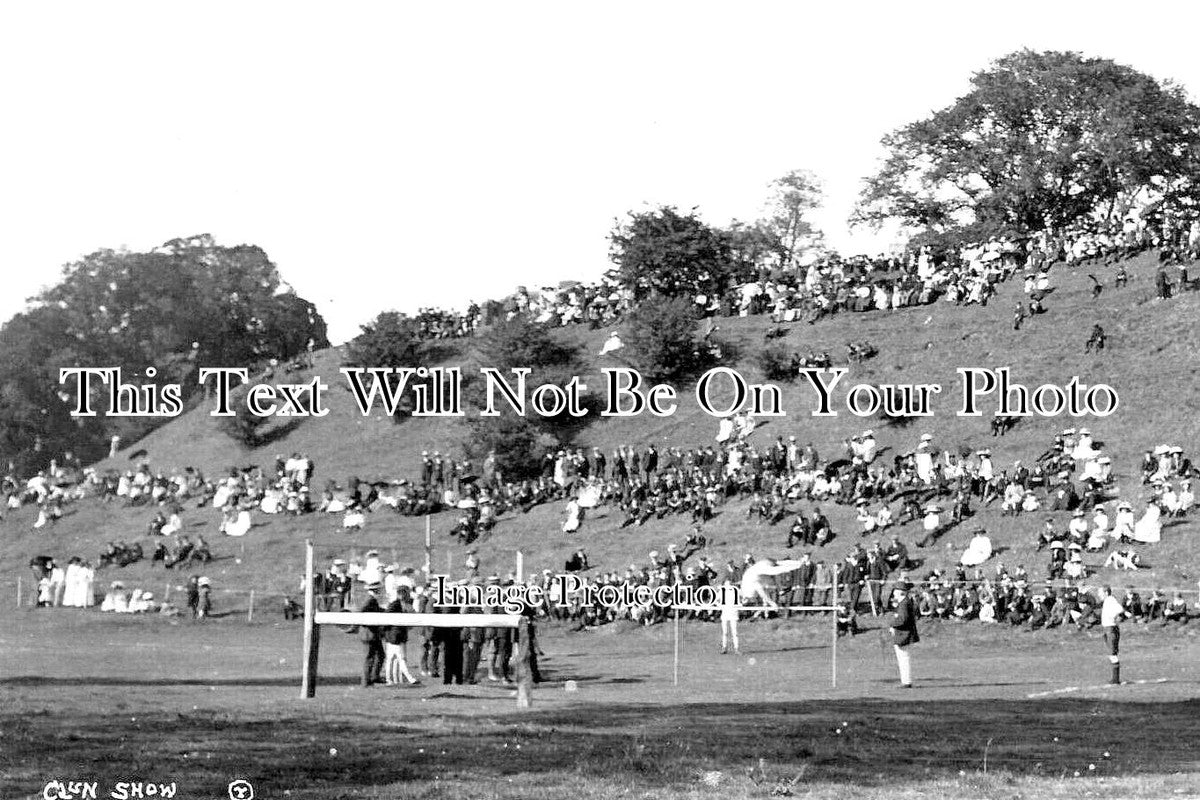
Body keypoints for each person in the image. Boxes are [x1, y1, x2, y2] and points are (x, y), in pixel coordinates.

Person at [889, 582, 919, 688]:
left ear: (899, 592)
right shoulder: (904, 602)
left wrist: (892, 624)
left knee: (903, 658)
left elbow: (903, 620)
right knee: (903, 658)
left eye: (895, 591)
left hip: (903, 633)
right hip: (903, 633)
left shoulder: (904, 603)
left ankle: (906, 681)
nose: (894, 593)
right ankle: (906, 680)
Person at [357, 582, 385, 687]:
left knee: (380, 655)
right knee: (369, 658)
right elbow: (362, 611)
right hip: (369, 634)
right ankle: (366, 682)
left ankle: (374, 677)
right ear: (376, 590)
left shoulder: (371, 600)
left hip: (373, 634)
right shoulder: (369, 600)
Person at [1100, 585, 1128, 685]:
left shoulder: (1111, 599)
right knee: (1111, 653)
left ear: (1106, 592)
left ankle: (1116, 679)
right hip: (1107, 628)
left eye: (1101, 593)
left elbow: (1120, 609)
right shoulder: (1107, 601)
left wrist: (1113, 617)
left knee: (1113, 654)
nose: (1099, 595)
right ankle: (1115, 679)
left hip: (1111, 628)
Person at [719, 580, 740, 655]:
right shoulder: (721, 592)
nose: (728, 586)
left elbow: (740, 601)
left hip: (733, 614)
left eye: (730, 584)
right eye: (727, 584)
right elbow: (717, 600)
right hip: (725, 614)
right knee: (725, 632)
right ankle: (724, 647)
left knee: (734, 632)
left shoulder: (735, 592)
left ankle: (736, 648)